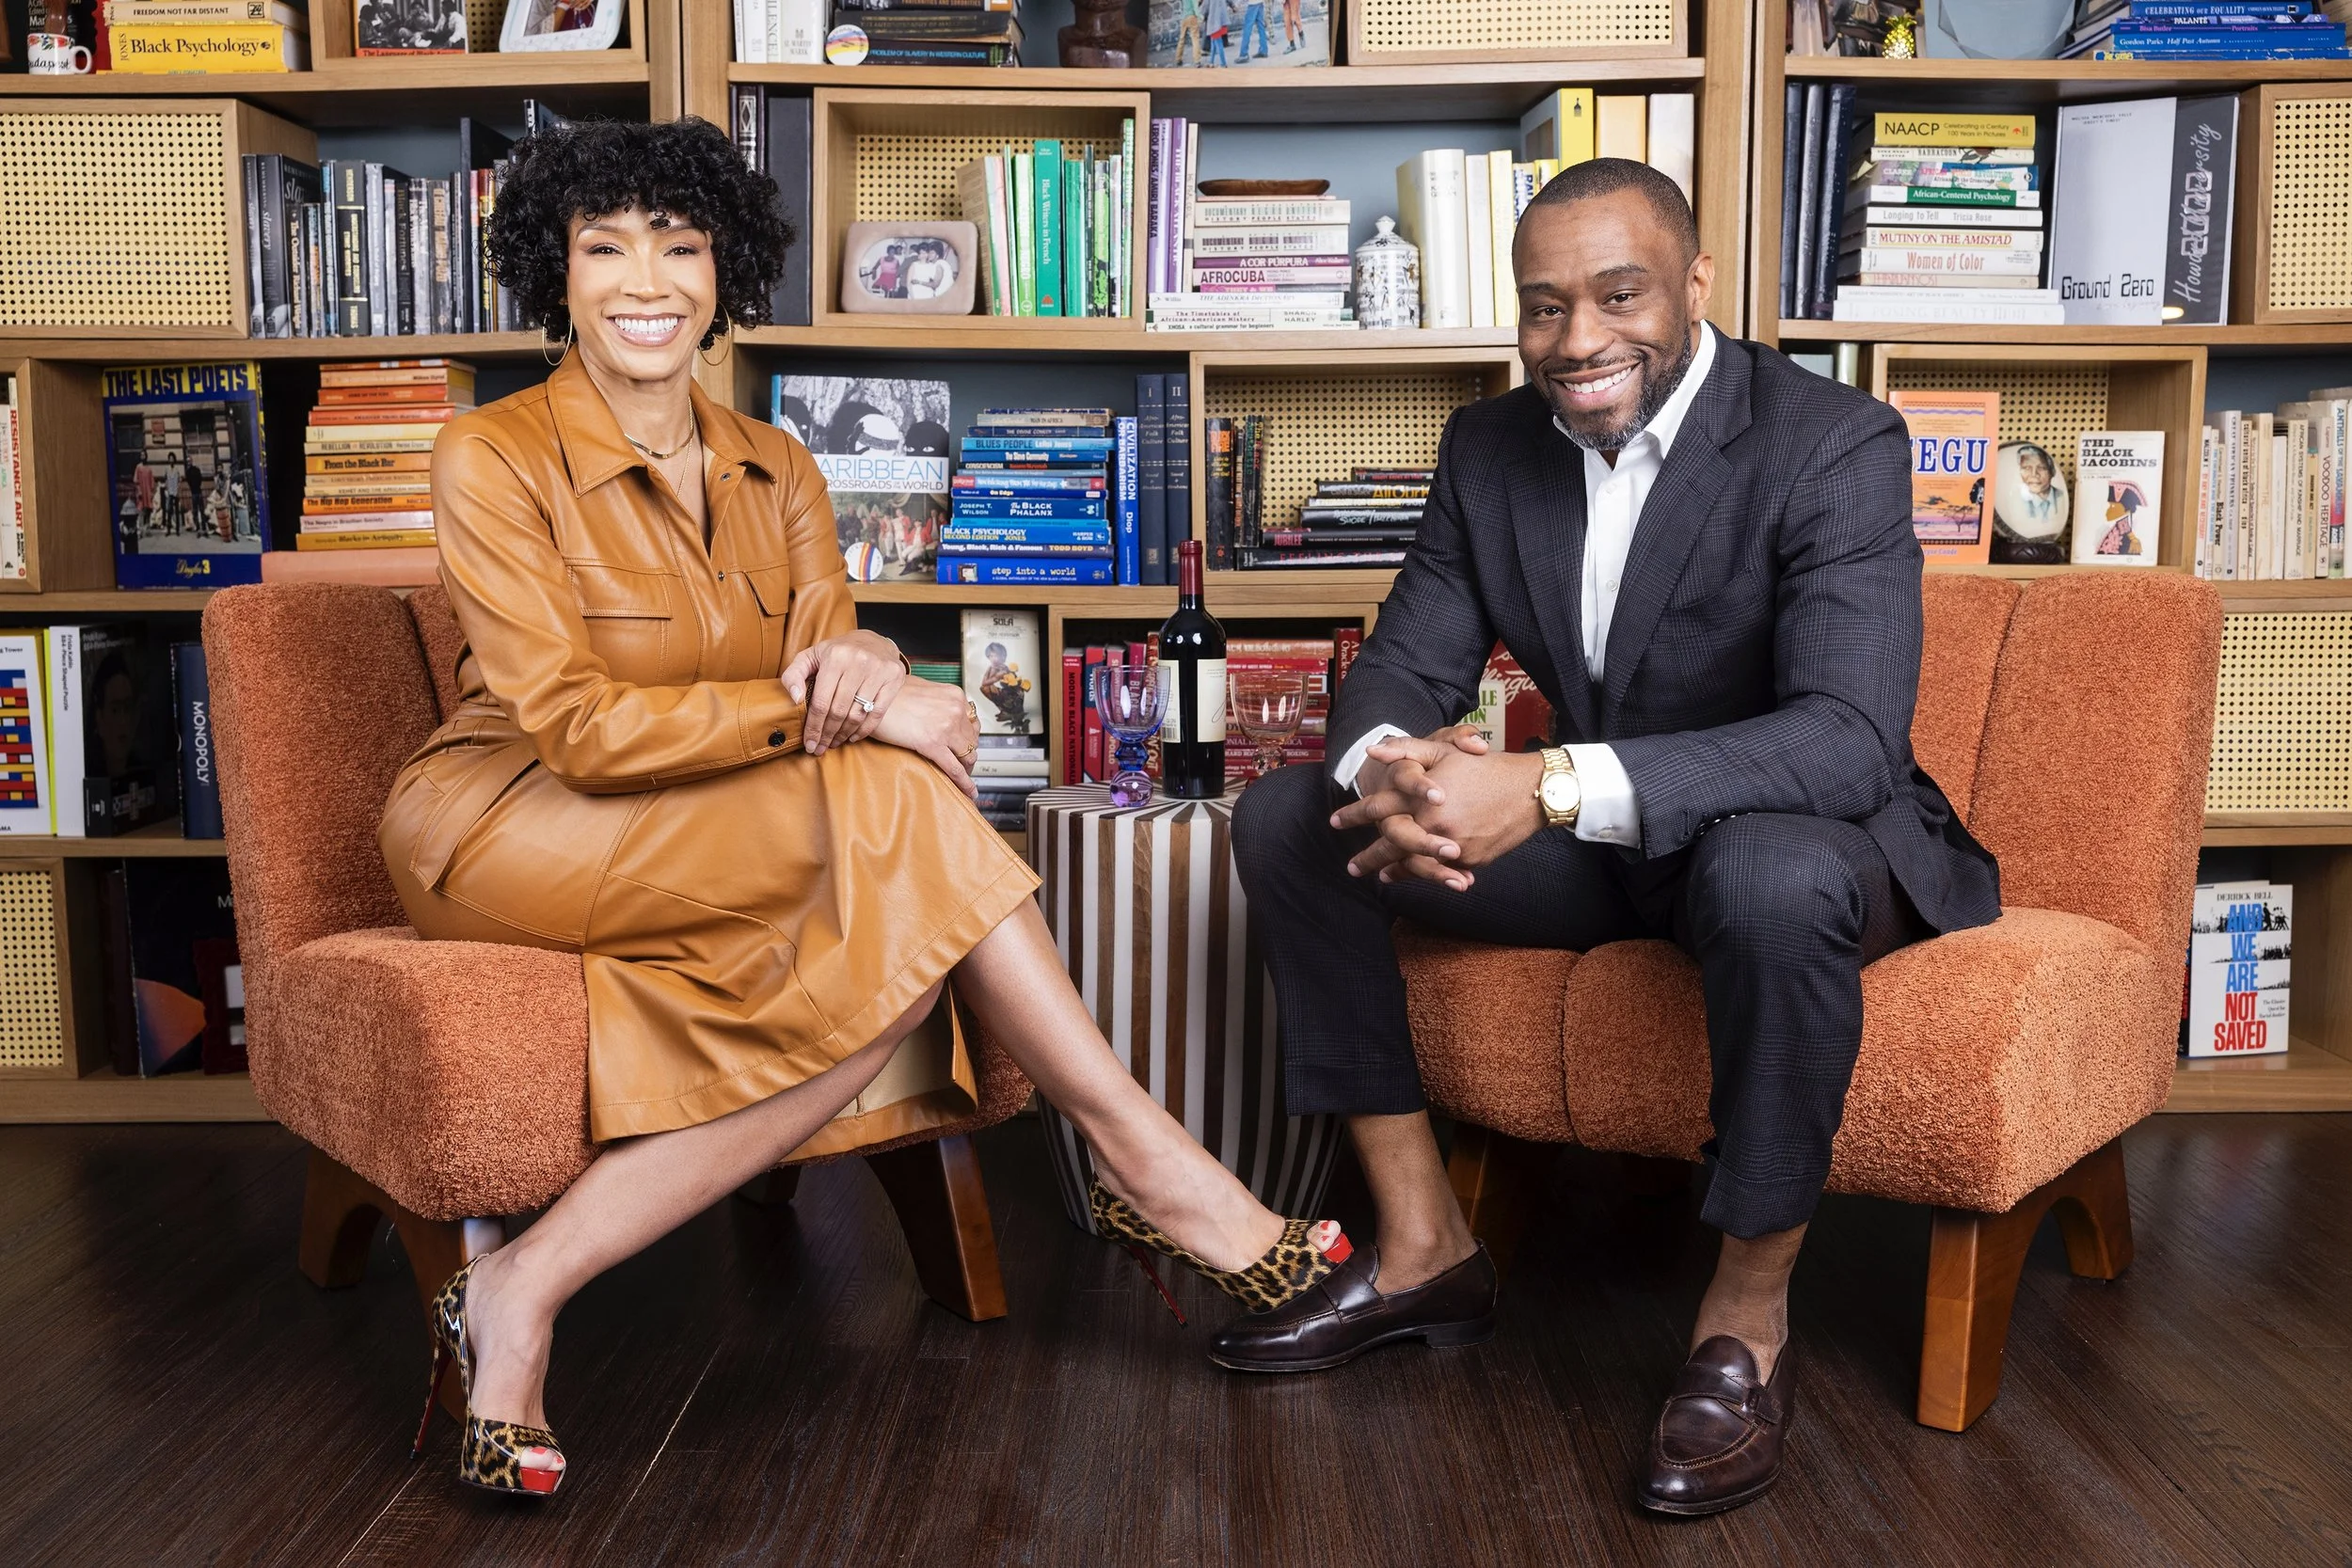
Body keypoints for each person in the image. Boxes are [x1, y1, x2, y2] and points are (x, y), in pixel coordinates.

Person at [378, 118, 1349, 1501]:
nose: (644, 281)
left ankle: (521, 1289)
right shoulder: (491, 455)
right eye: (605, 249)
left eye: (681, 246)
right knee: (904, 827)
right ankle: (1147, 1157)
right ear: (557, 270)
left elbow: (840, 663)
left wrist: (876, 668)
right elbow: (584, 732)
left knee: (898, 913)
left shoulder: (781, 464)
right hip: (510, 816)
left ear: (725, 275)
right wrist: (853, 704)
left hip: (713, 811)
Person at [1229, 158, 2000, 1516]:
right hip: (1616, 854)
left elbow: (1847, 738)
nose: (1577, 338)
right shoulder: (1489, 450)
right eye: (1542, 307)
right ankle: (1422, 1247)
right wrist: (1403, 770)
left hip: (1808, 838)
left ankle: (1745, 1322)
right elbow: (1396, 682)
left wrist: (1551, 782)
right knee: (1299, 813)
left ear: (1696, 286)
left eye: (1618, 294)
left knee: (1767, 868)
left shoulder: (1833, 440)